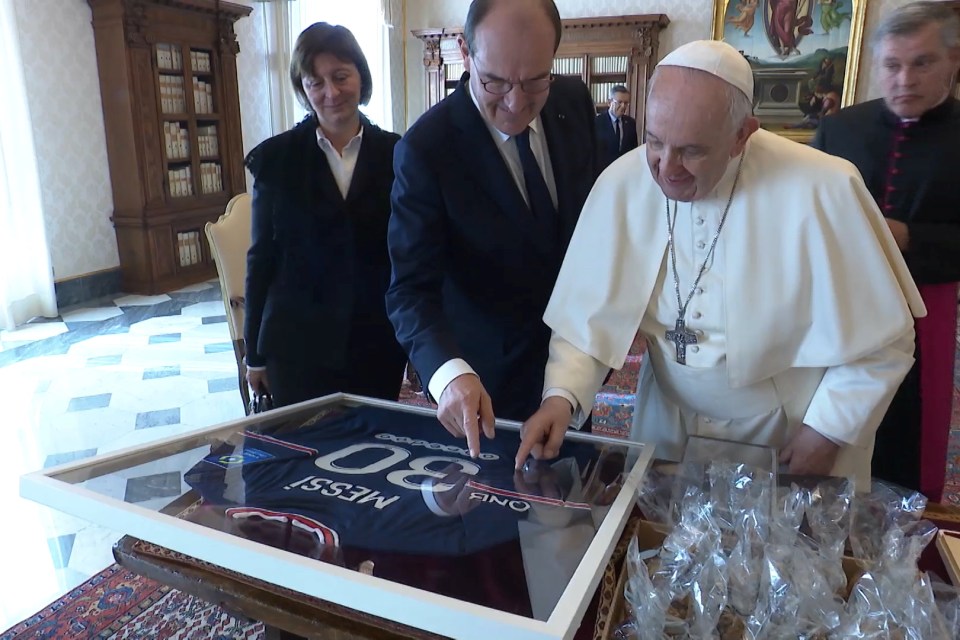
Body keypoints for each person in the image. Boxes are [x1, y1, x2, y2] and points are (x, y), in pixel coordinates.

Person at [515, 39, 926, 490]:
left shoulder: (823, 188)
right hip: (664, 425)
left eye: (691, 151)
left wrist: (830, 428)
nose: (666, 169)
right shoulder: (624, 183)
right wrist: (563, 397)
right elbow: (585, 320)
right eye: (654, 141)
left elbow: (885, 341)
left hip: (783, 431)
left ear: (741, 135)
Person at [386, 0, 598, 458]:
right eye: (495, 82)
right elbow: (408, 292)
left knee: (575, 517)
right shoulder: (427, 150)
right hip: (483, 396)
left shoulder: (573, 103)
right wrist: (448, 373)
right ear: (465, 51)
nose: (516, 102)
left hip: (574, 377)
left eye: (535, 80)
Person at [811, 2, 960, 502]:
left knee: (907, 435)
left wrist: (909, 237)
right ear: (876, 66)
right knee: (827, 417)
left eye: (922, 63)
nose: (905, 78)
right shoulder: (840, 130)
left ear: (953, 60)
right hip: (839, 303)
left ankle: (902, 530)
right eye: (892, 65)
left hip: (924, 305)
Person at [243, 22, 406, 407]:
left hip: (376, 340)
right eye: (315, 82)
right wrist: (254, 354)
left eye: (340, 77)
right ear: (303, 89)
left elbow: (409, 252)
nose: (331, 93)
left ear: (360, 78)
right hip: (295, 345)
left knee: (375, 450)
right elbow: (261, 259)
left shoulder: (398, 155)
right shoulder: (275, 160)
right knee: (302, 454)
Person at [596, 85, 639, 171]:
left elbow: (634, 151)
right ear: (609, 102)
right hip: (603, 172)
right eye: (619, 102)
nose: (623, 106)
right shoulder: (597, 122)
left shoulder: (630, 123)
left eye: (626, 103)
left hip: (624, 172)